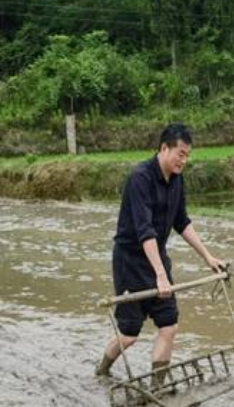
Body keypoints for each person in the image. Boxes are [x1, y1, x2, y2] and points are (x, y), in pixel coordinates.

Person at [96, 123, 225, 387]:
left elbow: (182, 222)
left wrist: (208, 258)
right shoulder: (139, 178)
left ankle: (157, 387)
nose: (184, 160)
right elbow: (145, 231)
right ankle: (102, 370)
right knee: (129, 334)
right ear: (164, 148)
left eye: (188, 155)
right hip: (130, 262)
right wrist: (160, 275)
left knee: (169, 325)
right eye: (180, 153)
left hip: (157, 258)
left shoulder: (177, 180)